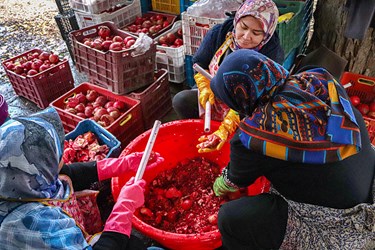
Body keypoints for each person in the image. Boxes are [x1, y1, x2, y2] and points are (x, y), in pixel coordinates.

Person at [206, 49, 375, 249]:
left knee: (231, 218)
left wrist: (217, 186)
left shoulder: (255, 135)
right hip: (368, 183)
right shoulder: (316, 80)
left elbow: (233, 181)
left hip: (340, 229)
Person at [0, 107, 164, 249]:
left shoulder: (22, 179)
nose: (62, 154)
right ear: (39, 168)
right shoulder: (34, 226)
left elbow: (69, 173)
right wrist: (124, 207)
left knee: (131, 244)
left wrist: (123, 164)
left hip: (75, 234)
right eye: (56, 154)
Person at [173, 0, 284, 153]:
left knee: (244, 144)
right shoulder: (219, 33)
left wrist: (231, 121)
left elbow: (263, 97)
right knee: (181, 100)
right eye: (243, 27)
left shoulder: (272, 55)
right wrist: (204, 85)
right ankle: (197, 133)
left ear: (267, 34)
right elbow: (199, 62)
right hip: (213, 94)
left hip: (248, 108)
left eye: (256, 33)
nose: (246, 36)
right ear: (237, 20)